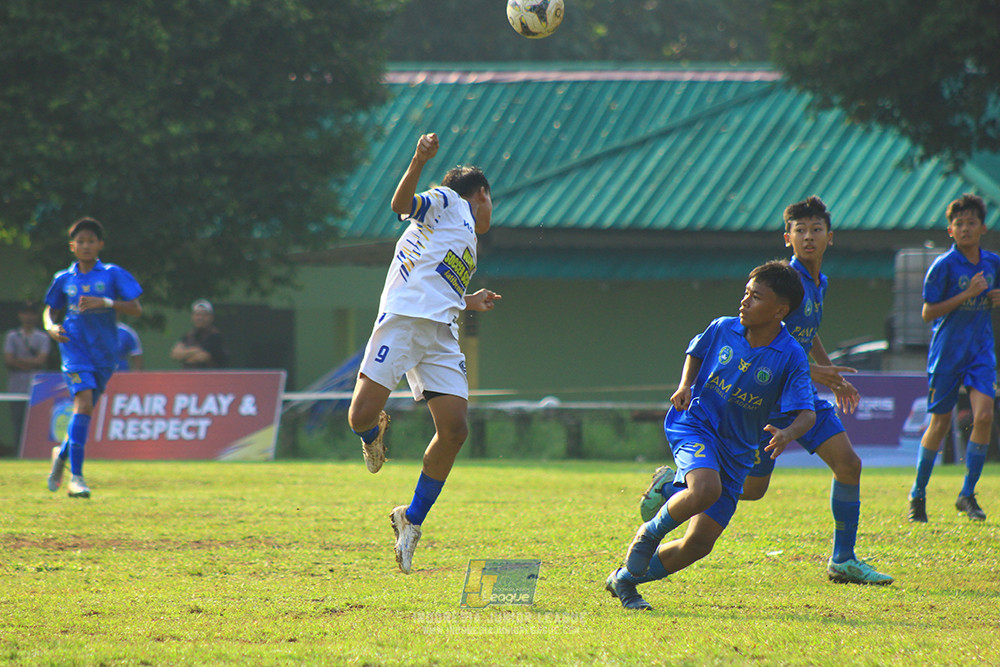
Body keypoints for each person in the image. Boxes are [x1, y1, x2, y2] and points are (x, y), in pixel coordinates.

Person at [639, 196, 893, 585]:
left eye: (816, 229)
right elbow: (767, 342)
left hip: (797, 394)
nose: (809, 237)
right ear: (787, 237)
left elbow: (805, 333)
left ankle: (842, 559)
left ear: (830, 237)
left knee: (842, 466)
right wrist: (816, 372)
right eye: (801, 230)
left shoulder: (818, 282)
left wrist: (824, 369)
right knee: (752, 489)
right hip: (768, 400)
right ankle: (678, 486)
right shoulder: (784, 282)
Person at [606, 260, 815, 611]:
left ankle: (625, 578)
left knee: (699, 544)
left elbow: (807, 413)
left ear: (780, 310)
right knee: (705, 489)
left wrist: (787, 433)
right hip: (696, 424)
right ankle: (649, 534)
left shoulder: (791, 355)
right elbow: (696, 352)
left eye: (756, 297)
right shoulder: (723, 327)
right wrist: (685, 384)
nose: (744, 302)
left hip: (738, 450)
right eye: (745, 293)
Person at [347, 132, 501, 574]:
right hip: (403, 319)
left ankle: (410, 520)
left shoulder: (464, 236)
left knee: (454, 431)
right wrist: (417, 158)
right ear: (482, 195)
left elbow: (437, 279)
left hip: (440, 331)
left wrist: (469, 300)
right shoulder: (450, 201)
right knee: (358, 417)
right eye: (492, 201)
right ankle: (370, 434)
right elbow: (401, 204)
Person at [908, 193, 1000, 523]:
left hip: (980, 352)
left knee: (985, 415)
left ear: (982, 227)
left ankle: (967, 494)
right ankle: (918, 493)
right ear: (950, 230)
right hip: (947, 352)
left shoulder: (993, 263)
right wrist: (967, 294)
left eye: (970, 223)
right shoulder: (943, 266)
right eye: (958, 224)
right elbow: (927, 312)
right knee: (940, 423)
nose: (964, 229)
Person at [43, 217, 143, 498]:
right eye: (81, 241)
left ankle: (60, 455)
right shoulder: (63, 279)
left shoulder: (112, 274)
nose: (86, 246)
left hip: (105, 352)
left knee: (83, 411)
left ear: (100, 245)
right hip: (74, 349)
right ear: (72, 246)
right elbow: (50, 310)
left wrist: (106, 302)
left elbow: (136, 309)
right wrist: (51, 327)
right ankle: (77, 478)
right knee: (83, 403)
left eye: (91, 241)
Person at [3, 300, 51, 452]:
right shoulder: (12, 336)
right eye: (25, 313)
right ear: (20, 315)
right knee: (17, 419)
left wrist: (20, 361)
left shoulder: (42, 337)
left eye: (32, 314)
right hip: (16, 382)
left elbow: (41, 360)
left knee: (36, 421)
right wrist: (30, 363)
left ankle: (35, 451)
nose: (28, 317)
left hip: (36, 382)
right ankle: (18, 451)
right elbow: (8, 360)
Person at [171, 299, 228, 368]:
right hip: (189, 377)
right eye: (197, 314)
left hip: (208, 377)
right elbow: (175, 354)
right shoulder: (188, 336)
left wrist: (184, 355)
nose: (200, 318)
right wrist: (195, 351)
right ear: (193, 317)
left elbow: (202, 357)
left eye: (204, 315)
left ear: (211, 317)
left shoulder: (215, 337)